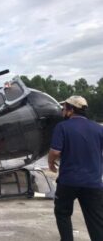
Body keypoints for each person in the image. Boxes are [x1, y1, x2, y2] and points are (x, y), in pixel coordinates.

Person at [48, 95, 103, 241]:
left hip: (68, 182)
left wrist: (50, 163)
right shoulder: (98, 128)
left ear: (71, 110)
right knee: (96, 220)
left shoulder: (62, 127)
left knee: (63, 213)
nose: (63, 111)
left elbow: (55, 151)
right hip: (93, 183)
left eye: (64, 108)